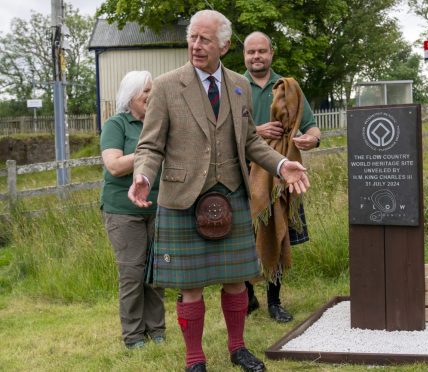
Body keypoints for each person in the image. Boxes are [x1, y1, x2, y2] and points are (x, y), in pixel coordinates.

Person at [127, 10, 309, 372]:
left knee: (236, 281)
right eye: (192, 37)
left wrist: (280, 164)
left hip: (231, 195)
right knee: (190, 286)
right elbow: (149, 146)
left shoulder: (239, 85)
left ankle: (238, 348)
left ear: (224, 45)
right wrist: (143, 174)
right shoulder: (166, 85)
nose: (195, 45)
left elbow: (251, 142)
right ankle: (195, 359)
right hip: (182, 198)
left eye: (204, 39)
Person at [242, 32, 321, 323]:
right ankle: (247, 296)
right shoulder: (235, 87)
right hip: (244, 176)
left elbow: (312, 128)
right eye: (251, 52)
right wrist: (257, 132)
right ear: (244, 55)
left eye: (262, 51)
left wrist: (311, 141)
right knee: (246, 238)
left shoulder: (289, 87)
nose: (256, 57)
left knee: (278, 234)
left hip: (280, 179)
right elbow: (223, 135)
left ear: (271, 53)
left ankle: (274, 301)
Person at [100, 70, 166, 349]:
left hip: (158, 206)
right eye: (146, 91)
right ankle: (133, 336)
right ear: (131, 96)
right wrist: (147, 147)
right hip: (122, 210)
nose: (151, 96)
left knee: (156, 271)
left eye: (153, 90)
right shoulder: (117, 124)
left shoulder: (158, 123)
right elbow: (114, 166)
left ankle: (157, 330)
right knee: (132, 273)